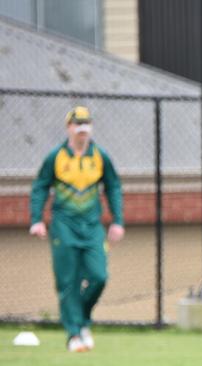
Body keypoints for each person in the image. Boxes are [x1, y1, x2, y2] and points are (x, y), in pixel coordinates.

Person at [29, 106, 125, 352]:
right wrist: (37, 219)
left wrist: (117, 221)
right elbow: (40, 186)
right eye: (77, 126)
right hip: (63, 226)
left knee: (99, 276)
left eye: (86, 126)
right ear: (69, 128)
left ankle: (81, 321)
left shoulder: (100, 156)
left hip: (92, 226)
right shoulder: (56, 157)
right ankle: (74, 335)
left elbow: (113, 187)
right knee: (68, 281)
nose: (82, 131)